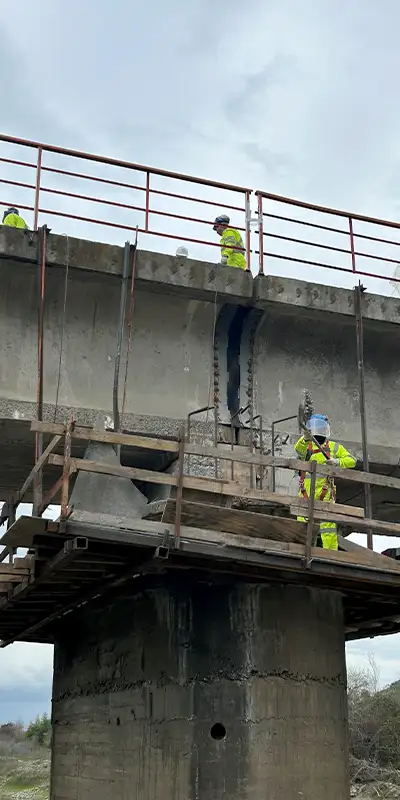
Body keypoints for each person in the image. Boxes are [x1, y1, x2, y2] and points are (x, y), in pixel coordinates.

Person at [294, 413, 356, 550]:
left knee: (328, 528)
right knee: (303, 526)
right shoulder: (307, 445)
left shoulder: (334, 447)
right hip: (306, 493)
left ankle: (330, 555)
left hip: (325, 493)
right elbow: (298, 450)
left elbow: (352, 460)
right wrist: (304, 438)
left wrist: (338, 461)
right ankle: (303, 551)